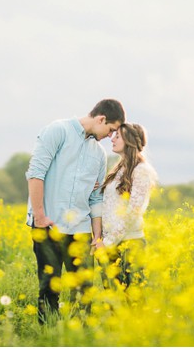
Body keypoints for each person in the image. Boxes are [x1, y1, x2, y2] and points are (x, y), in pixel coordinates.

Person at [25, 98, 125, 324]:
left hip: (80, 229)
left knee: (84, 291)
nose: (111, 136)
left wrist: (97, 236)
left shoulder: (99, 154)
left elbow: (95, 197)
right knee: (50, 288)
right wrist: (40, 216)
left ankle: (78, 338)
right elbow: (35, 173)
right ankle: (49, 337)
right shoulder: (57, 131)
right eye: (111, 130)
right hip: (48, 224)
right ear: (101, 119)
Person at [94, 122, 157, 290]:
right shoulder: (119, 168)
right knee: (113, 301)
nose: (112, 139)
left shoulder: (141, 170)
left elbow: (132, 213)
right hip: (110, 243)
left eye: (118, 136)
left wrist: (107, 243)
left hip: (130, 244)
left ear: (129, 140)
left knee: (132, 301)